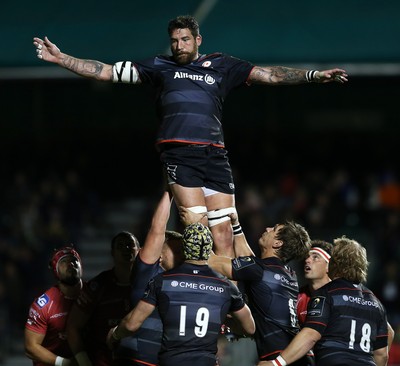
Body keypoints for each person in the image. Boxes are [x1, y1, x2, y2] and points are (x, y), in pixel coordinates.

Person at [32, 15, 348, 259]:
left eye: (185, 39)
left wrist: (314, 75)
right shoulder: (157, 67)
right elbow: (105, 71)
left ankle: (225, 303)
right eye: (174, 40)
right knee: (197, 231)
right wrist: (62, 59)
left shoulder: (223, 65)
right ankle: (202, 290)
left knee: (224, 234)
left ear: (198, 39)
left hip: (215, 155)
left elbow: (270, 74)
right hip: (180, 155)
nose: (179, 45)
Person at [106, 222, 255, 366]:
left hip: (171, 360)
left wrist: (115, 335)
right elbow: (249, 328)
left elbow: (133, 323)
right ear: (209, 249)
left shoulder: (162, 281)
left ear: (185, 248)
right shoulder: (225, 286)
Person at [180, 207, 311, 365]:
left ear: (277, 243)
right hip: (296, 357)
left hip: (278, 359)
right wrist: (236, 226)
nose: (268, 228)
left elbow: (212, 262)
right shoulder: (289, 275)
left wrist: (195, 227)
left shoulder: (259, 270)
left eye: (274, 229)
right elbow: (249, 262)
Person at [258, 236, 392, 366]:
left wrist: (276, 363)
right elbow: (382, 353)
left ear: (333, 263)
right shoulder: (375, 302)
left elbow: (311, 334)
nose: (307, 261)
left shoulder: (327, 294)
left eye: (316, 257)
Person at [119, 190, 184, 366]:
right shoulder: (147, 272)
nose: (182, 256)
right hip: (137, 357)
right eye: (176, 251)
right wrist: (170, 191)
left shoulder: (183, 279)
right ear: (159, 255)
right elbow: (157, 229)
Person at [66, 231, 140, 366]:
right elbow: (73, 326)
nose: (126, 249)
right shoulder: (97, 286)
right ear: (112, 253)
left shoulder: (150, 283)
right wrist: (84, 361)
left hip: (140, 358)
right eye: (121, 245)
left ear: (139, 250)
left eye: (130, 245)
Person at [25, 245, 84, 366]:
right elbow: (30, 347)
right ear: (55, 270)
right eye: (64, 262)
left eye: (74, 261)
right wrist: (64, 363)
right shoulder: (44, 305)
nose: (71, 264)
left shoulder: (95, 295)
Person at [297, 239, 333, 326]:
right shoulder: (297, 297)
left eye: (315, 257)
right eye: (307, 257)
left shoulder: (339, 296)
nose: (307, 260)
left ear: (329, 266)